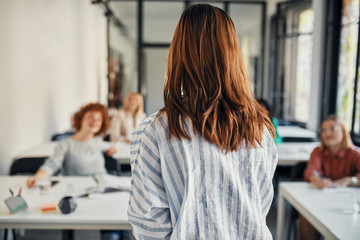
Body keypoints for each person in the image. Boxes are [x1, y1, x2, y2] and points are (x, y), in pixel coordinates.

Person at [127, 4, 278, 239]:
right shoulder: (259, 128)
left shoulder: (155, 130)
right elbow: (260, 204)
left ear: (179, 53)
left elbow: (149, 225)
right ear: (233, 55)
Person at [26, 103, 121, 240]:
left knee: (113, 221)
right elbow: (52, 165)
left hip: (101, 190)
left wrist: (114, 149)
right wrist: (38, 177)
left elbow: (115, 146)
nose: (95, 121)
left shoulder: (98, 142)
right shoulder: (66, 144)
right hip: (76, 194)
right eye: (91, 117)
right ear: (80, 119)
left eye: (99, 119)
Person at [298, 115, 360, 240]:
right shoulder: (318, 151)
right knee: (306, 216)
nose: (327, 133)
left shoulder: (354, 153)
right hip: (321, 201)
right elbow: (311, 171)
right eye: (324, 130)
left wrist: (349, 180)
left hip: (347, 204)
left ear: (343, 131)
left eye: (332, 129)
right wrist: (316, 179)